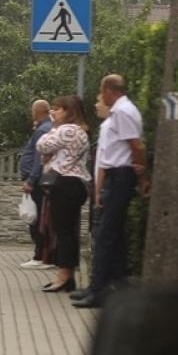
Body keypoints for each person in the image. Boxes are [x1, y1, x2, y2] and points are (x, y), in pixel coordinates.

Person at [73, 75, 148, 309]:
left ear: (109, 90)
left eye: (101, 90)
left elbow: (136, 145)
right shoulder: (118, 113)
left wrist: (142, 175)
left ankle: (99, 290)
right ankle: (112, 285)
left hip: (121, 175)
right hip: (115, 176)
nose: (100, 95)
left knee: (106, 235)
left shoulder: (123, 112)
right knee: (112, 235)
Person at [36, 95, 91, 294]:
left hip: (65, 183)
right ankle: (67, 276)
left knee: (63, 232)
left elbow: (41, 145)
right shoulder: (80, 131)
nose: (53, 112)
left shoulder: (67, 130)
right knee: (67, 231)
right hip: (74, 184)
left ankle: (64, 276)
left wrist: (52, 128)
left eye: (57, 109)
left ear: (68, 112)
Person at [18, 100, 54, 269]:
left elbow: (39, 158)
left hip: (37, 182)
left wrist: (31, 180)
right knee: (41, 217)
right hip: (40, 180)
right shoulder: (45, 128)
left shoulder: (42, 130)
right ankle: (43, 254)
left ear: (36, 112)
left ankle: (40, 255)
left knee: (37, 219)